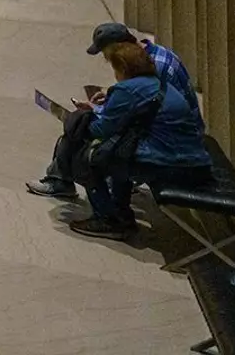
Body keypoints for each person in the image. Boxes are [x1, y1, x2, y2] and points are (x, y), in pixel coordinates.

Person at [26, 21, 202, 199]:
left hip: (169, 139)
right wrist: (107, 102)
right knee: (83, 128)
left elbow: (141, 109)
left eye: (106, 54)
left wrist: (90, 115)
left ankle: (104, 211)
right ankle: (62, 180)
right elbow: (143, 99)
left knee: (86, 141)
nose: (106, 59)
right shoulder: (150, 56)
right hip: (167, 129)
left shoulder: (155, 65)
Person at [66, 39, 211, 240]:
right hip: (193, 158)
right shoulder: (157, 83)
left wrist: (75, 121)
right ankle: (121, 213)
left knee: (90, 159)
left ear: (124, 68)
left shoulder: (127, 89)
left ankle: (109, 219)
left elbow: (100, 130)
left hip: (175, 163)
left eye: (116, 69)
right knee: (118, 154)